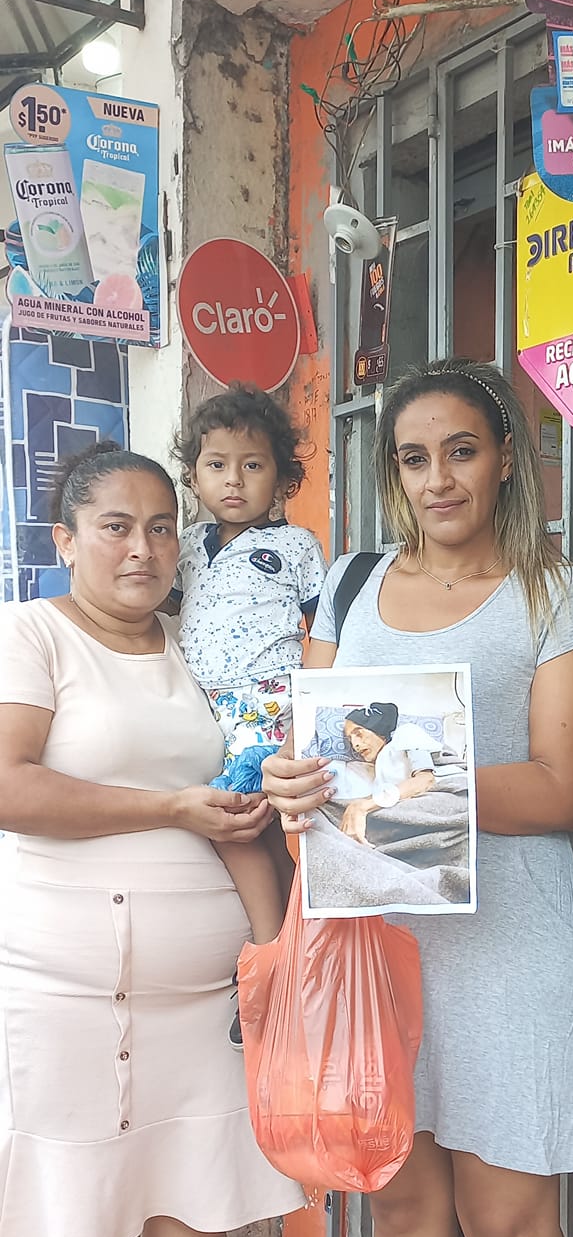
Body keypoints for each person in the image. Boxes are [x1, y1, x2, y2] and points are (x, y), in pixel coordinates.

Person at [262, 359, 573, 1237]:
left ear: (503, 455)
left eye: (460, 450)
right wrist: (300, 784)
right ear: (391, 471)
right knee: (403, 1209)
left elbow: (560, 786)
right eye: (413, 457)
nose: (437, 478)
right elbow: (303, 751)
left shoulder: (552, 591)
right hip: (381, 945)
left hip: (511, 942)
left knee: (511, 1228)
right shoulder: (349, 587)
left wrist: (384, 778)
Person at [0, 442, 305, 1237]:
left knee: (192, 1214)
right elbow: (10, 782)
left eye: (163, 526)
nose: (143, 548)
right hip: (61, 991)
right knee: (61, 1221)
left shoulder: (195, 651)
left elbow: (238, 817)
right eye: (116, 526)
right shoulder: (33, 635)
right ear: (65, 538)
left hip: (195, 1003)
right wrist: (172, 804)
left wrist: (275, 958)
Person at [172, 383, 328, 1034]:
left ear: (284, 479)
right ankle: (286, 962)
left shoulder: (297, 547)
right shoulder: (183, 546)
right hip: (201, 708)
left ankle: (277, 965)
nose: (233, 480)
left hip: (269, 703)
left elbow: (327, 630)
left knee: (254, 823)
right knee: (248, 828)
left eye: (252, 464)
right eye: (216, 465)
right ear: (193, 476)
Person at [335, 701, 437, 842]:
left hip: (437, 795)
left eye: (358, 733)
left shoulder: (406, 732)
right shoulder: (377, 768)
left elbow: (426, 779)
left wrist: (364, 806)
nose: (355, 744)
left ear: (377, 729)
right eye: (350, 739)